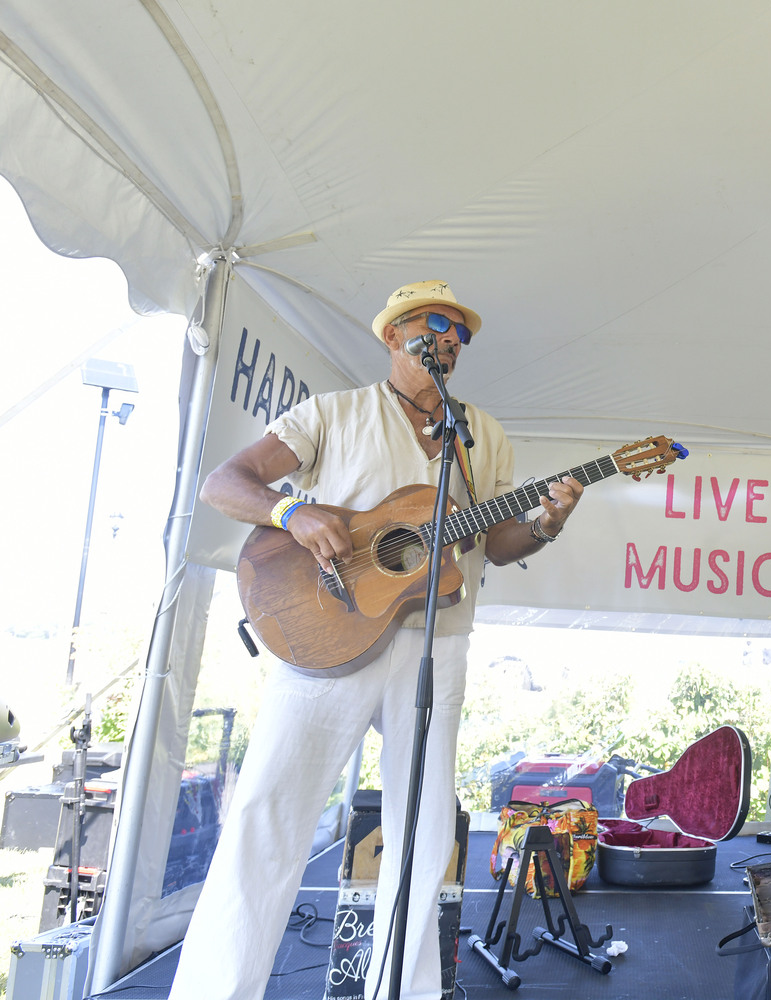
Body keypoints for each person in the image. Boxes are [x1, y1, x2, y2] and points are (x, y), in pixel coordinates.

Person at [170, 280, 584, 1000]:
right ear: (394, 336)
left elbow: (493, 539)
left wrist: (548, 521)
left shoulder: (480, 432)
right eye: (434, 322)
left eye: (460, 329)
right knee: (269, 812)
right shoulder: (332, 413)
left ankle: (406, 991)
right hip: (323, 636)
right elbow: (224, 484)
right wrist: (292, 510)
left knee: (424, 837)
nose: (449, 335)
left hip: (438, 643)